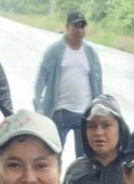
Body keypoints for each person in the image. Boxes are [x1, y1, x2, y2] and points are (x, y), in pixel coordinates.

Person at [34, 10, 104, 157]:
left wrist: (99, 106)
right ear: (67, 27)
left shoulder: (90, 52)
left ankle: (78, 181)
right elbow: (42, 78)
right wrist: (38, 105)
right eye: (75, 26)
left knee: (85, 158)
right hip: (60, 111)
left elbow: (97, 82)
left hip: (85, 114)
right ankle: (54, 180)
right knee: (53, 154)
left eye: (82, 26)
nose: (79, 30)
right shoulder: (55, 51)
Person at [60, 93, 130, 184]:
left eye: (106, 125)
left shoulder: (132, 171)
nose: (98, 133)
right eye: (92, 126)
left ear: (120, 129)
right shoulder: (75, 171)